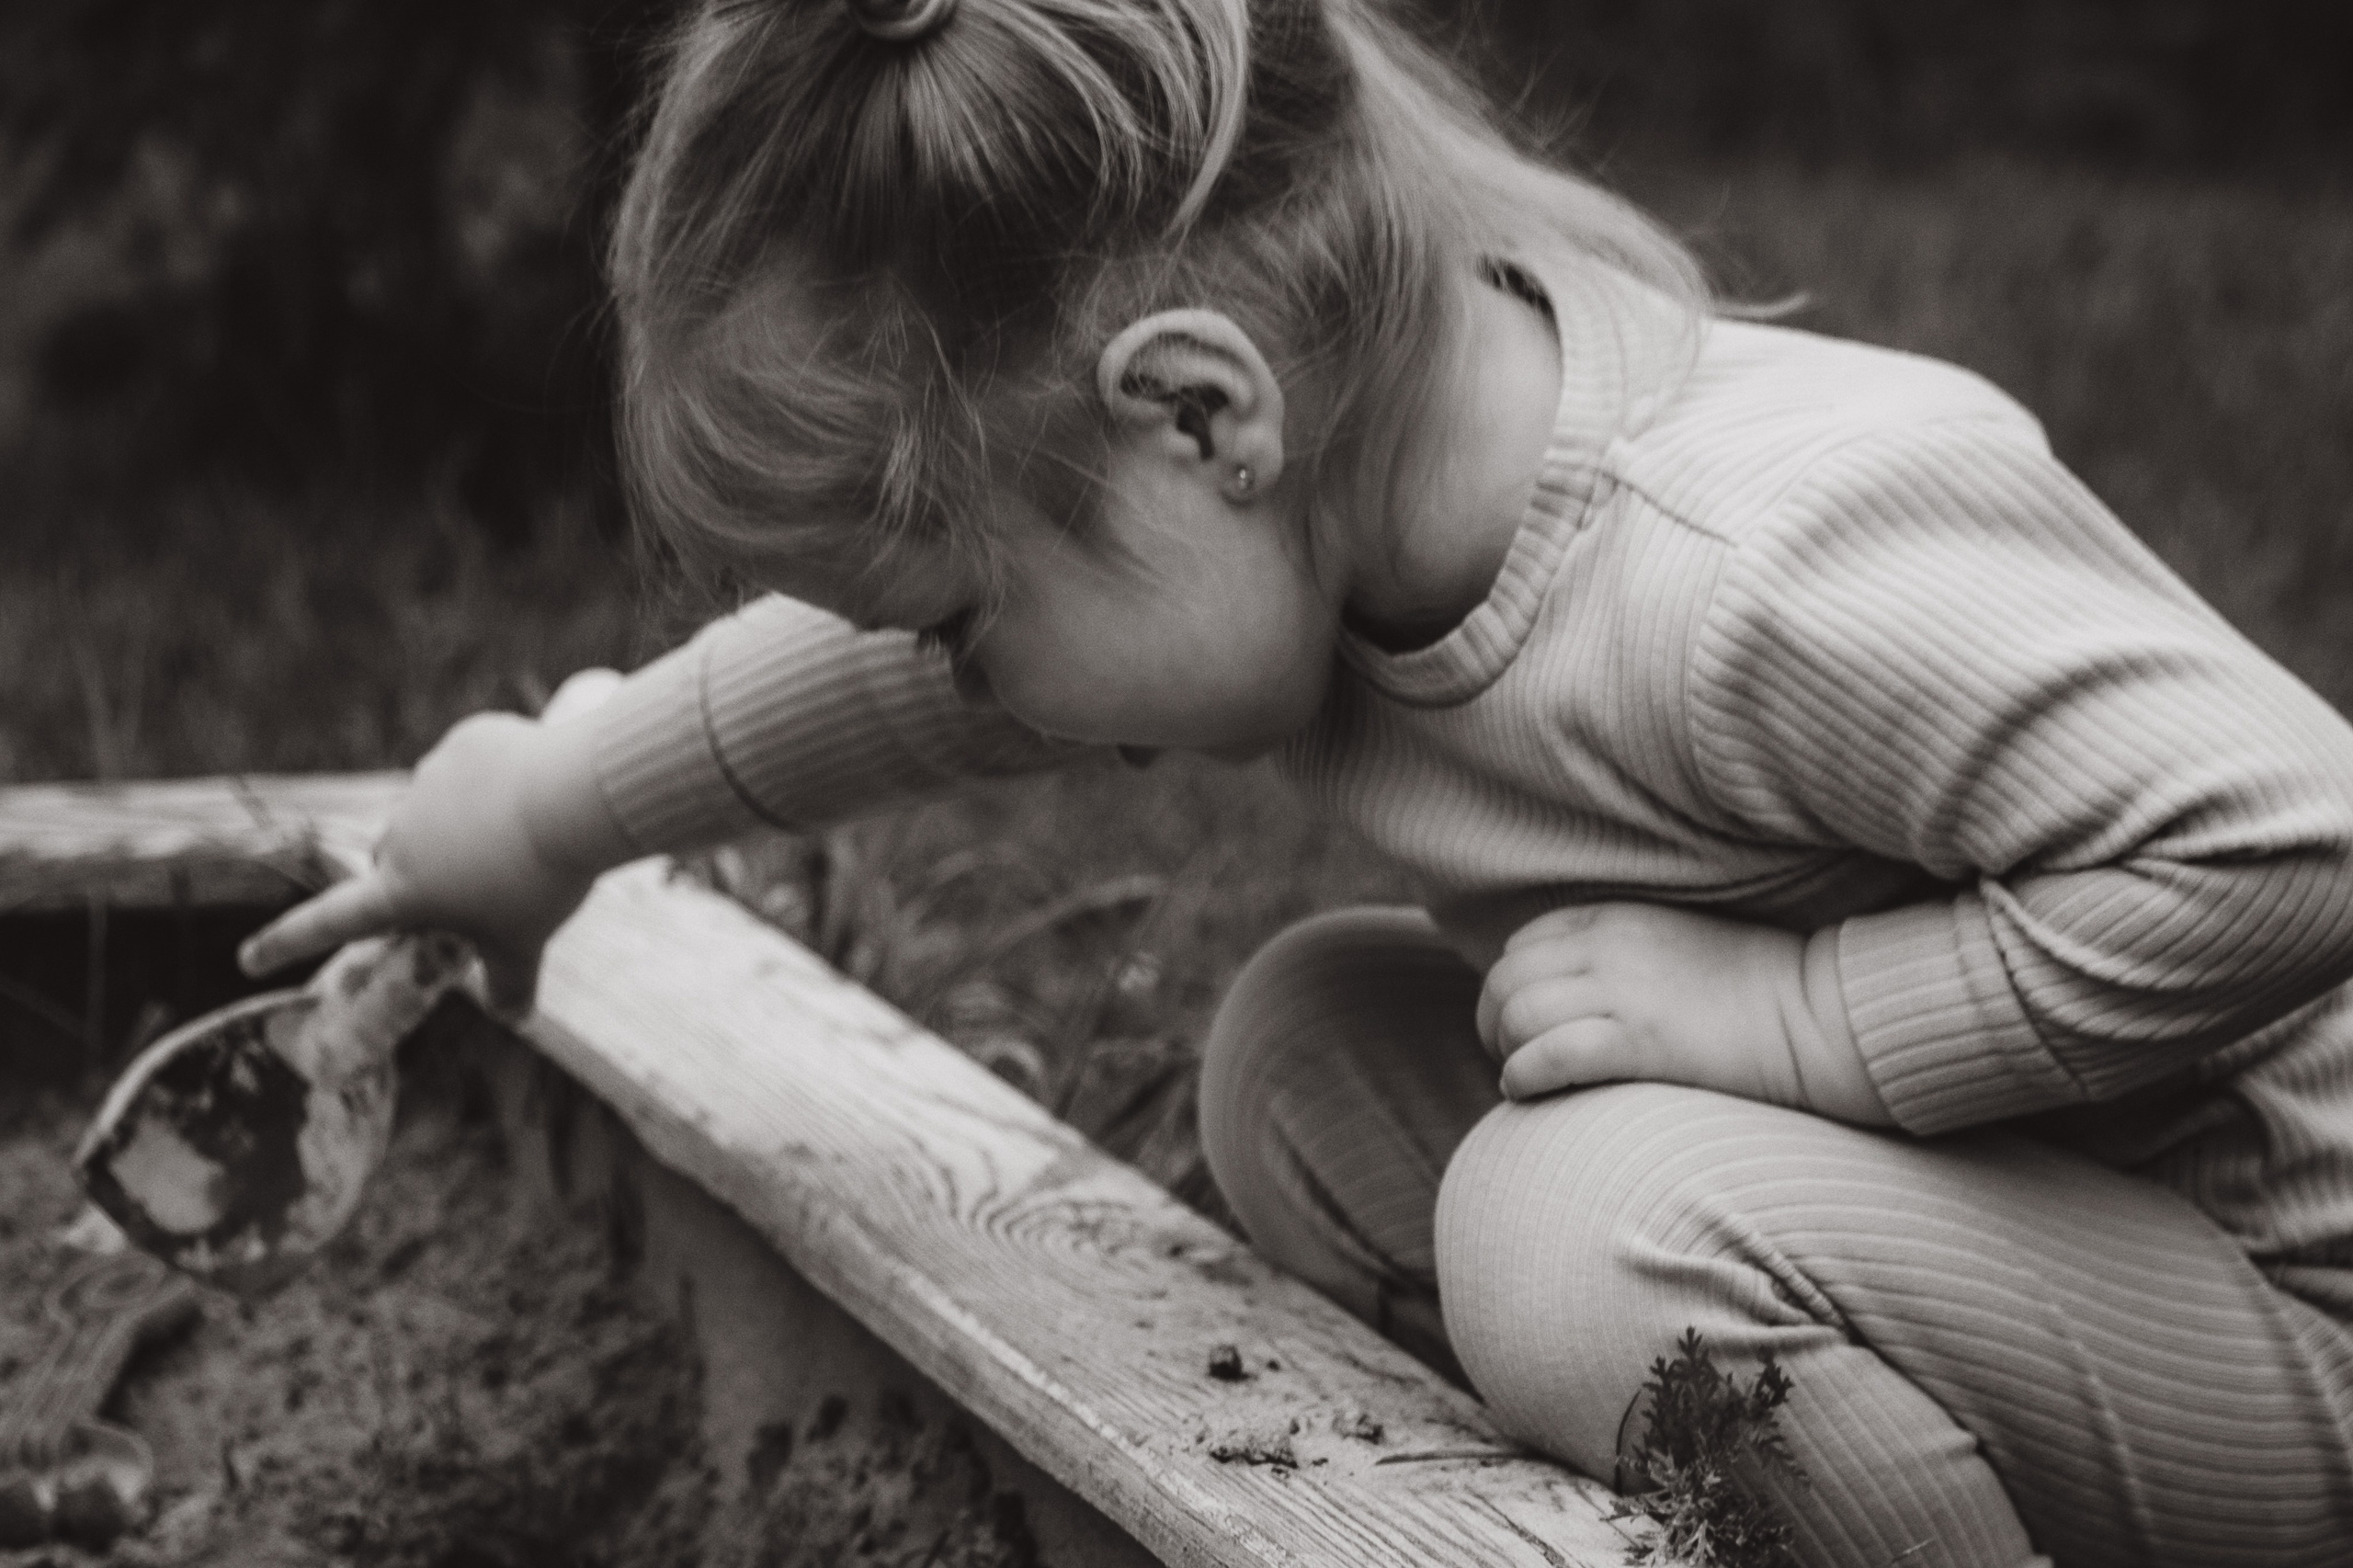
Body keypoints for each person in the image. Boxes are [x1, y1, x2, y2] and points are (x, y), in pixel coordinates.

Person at [240, 0, 2353, 1560]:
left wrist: (1791, 1025)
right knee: (1310, 1066)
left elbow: (2289, 836)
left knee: (1575, 1225)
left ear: (1193, 415)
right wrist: (545, 812)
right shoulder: (1302, 519)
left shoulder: (1749, 564)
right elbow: (882, 695)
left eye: (961, 611)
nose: (955, 679)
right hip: (2020, 1227)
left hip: (2274, 1306)